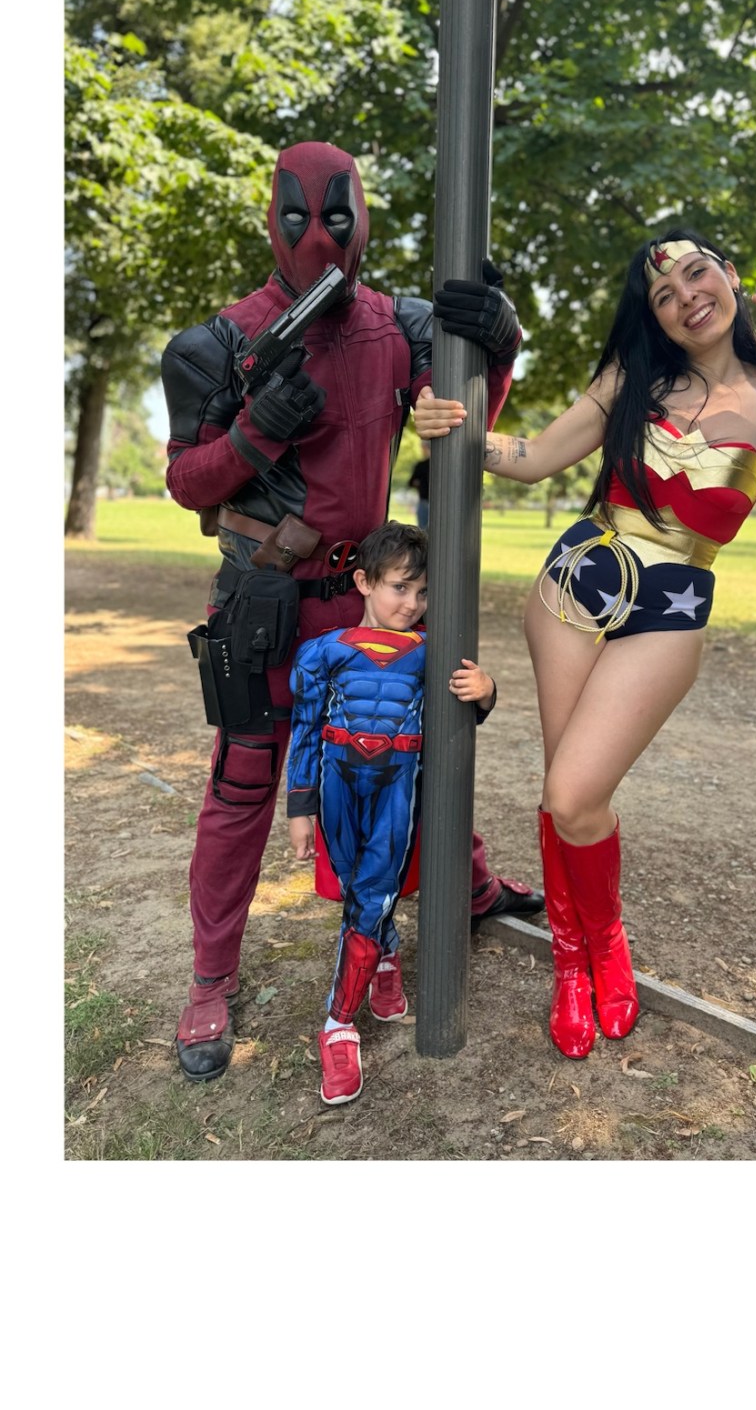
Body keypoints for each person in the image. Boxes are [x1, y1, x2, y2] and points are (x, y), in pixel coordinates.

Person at [415, 223, 756, 1060]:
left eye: (697, 275)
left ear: (729, 276)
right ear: (655, 316)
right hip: (573, 586)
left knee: (576, 794)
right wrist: (447, 427)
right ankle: (571, 964)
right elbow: (533, 456)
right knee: (563, 792)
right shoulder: (633, 378)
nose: (685, 297)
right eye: (663, 294)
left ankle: (607, 942)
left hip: (671, 607)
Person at [161, 140, 542, 1082]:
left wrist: (498, 344)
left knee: (415, 749)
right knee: (243, 786)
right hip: (264, 603)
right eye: (299, 217)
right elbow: (187, 481)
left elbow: (463, 423)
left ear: (363, 218)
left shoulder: (401, 326)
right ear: (272, 218)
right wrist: (256, 432)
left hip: (374, 600)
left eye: (338, 216)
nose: (319, 236)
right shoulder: (215, 345)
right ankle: (211, 980)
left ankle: (469, 884)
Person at [287, 520, 499, 1104]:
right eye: (400, 587)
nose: (412, 604)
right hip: (337, 785)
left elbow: (468, 708)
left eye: (423, 592)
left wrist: (485, 690)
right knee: (357, 892)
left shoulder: (435, 652)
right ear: (364, 582)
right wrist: (300, 808)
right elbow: (304, 731)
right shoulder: (321, 653)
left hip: (398, 787)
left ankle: (338, 1025)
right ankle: (384, 960)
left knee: (372, 897)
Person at [409, 442, 431, 529]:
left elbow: (411, 482)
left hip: (424, 501)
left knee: (422, 530)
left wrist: (419, 483)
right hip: (431, 501)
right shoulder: (443, 465)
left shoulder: (421, 465)